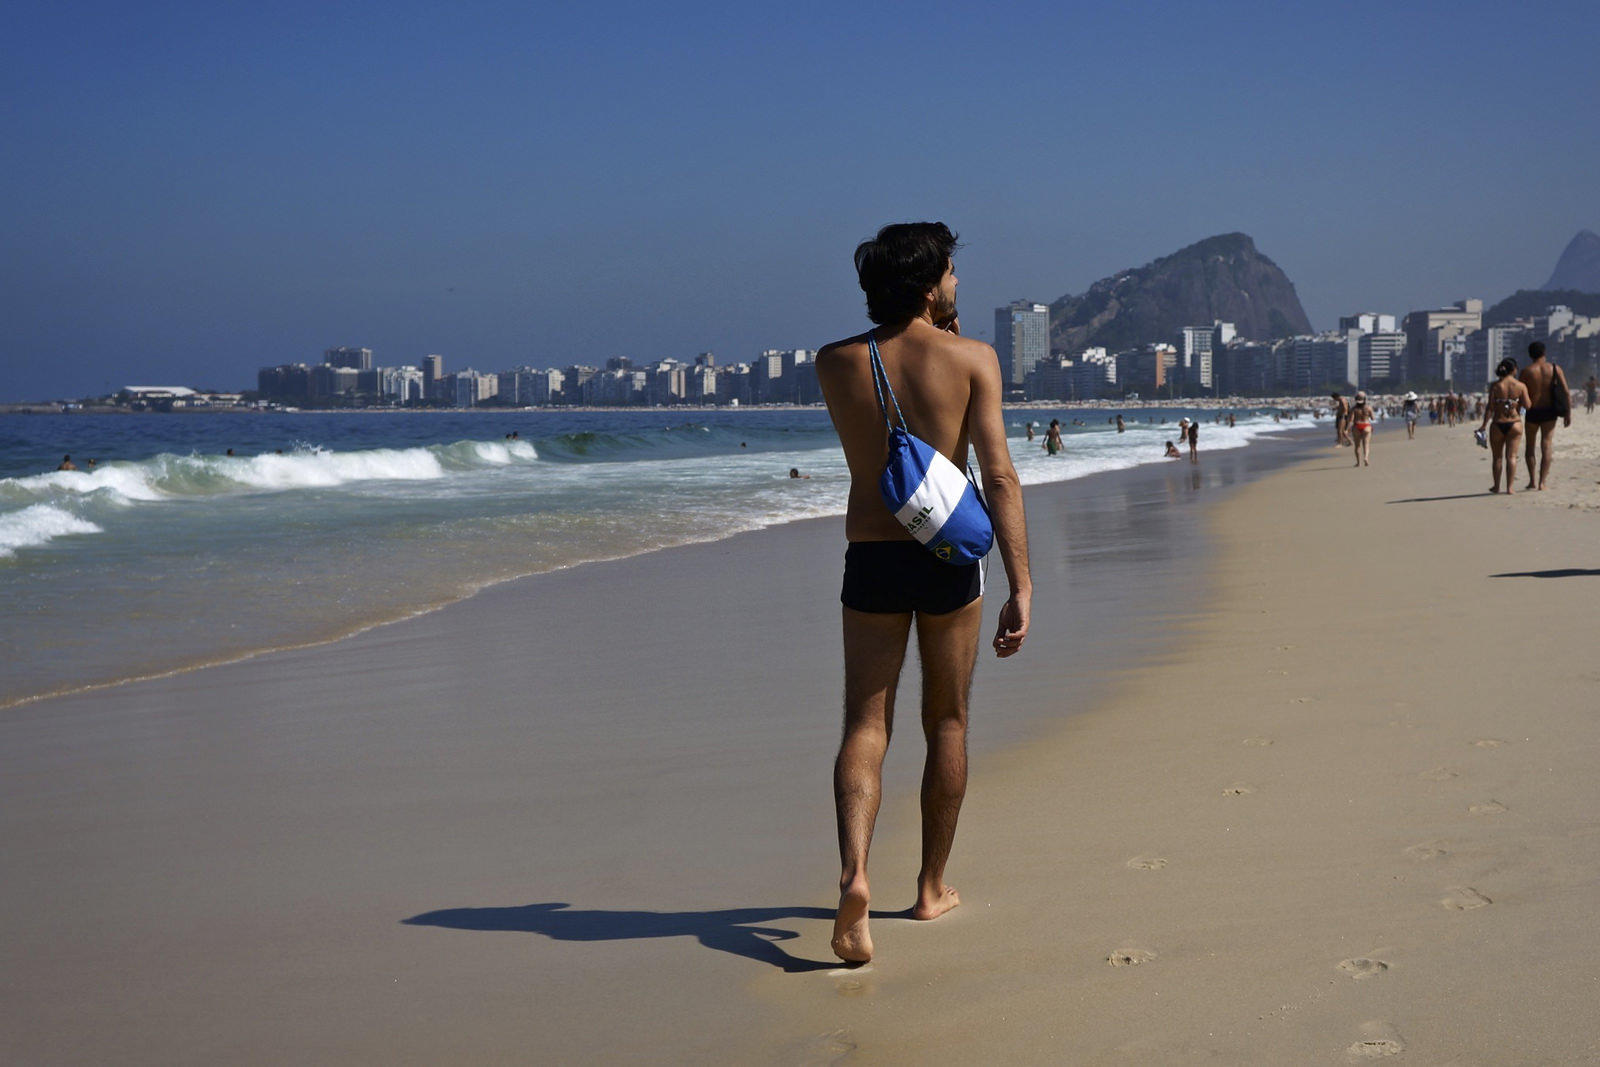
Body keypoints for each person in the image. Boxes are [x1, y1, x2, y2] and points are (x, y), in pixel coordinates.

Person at [815, 222, 1031, 965]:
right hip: (946, 559)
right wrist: (1021, 582)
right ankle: (931, 887)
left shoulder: (834, 361)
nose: (958, 282)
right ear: (931, 281)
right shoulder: (973, 358)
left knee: (864, 724)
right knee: (947, 717)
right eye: (951, 273)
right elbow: (997, 476)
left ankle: (854, 874)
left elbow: (886, 398)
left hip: (871, 553)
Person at [1518, 341, 1571, 491]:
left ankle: (1532, 481)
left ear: (1530, 355)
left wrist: (1517, 412)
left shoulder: (1526, 371)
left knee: (1530, 446)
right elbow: (1566, 392)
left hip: (1533, 411)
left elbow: (1520, 394)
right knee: (1546, 445)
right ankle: (1542, 482)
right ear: (1544, 353)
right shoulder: (1554, 369)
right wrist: (1568, 413)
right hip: (1550, 412)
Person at [1478, 357, 1529, 494]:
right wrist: (1517, 404)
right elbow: (1528, 405)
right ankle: (1510, 488)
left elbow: (1490, 407)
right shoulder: (1520, 385)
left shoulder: (1495, 386)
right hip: (1515, 424)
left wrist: (1483, 425)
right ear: (1513, 370)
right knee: (1511, 457)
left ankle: (1496, 486)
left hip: (1498, 423)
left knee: (1497, 457)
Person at [1348, 391, 1375, 467]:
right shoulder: (1368, 407)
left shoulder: (1354, 409)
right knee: (1366, 444)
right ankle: (1366, 458)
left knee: (1357, 446)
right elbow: (1373, 418)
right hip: (1366, 426)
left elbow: (1351, 420)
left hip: (1357, 426)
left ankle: (1358, 462)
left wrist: (1347, 429)